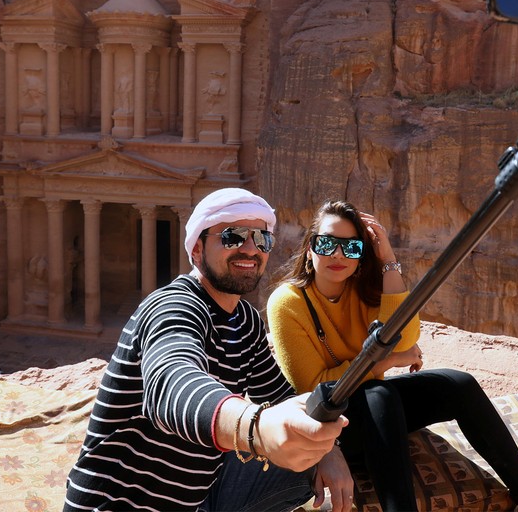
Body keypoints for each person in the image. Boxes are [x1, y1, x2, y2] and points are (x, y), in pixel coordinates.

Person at [266, 199, 518, 512]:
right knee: (380, 394)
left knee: (457, 385)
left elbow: (405, 336)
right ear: (310, 248)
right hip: (328, 428)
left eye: (351, 248)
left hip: (376, 413)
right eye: (327, 244)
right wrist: (388, 361)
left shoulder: (361, 291)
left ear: (361, 256)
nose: (338, 254)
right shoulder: (287, 302)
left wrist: (388, 257)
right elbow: (316, 387)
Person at [65, 188, 353, 512]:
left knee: (337, 436)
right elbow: (173, 382)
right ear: (198, 248)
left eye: (262, 239)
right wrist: (256, 427)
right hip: (116, 506)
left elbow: (279, 396)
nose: (250, 249)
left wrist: (329, 452)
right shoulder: (173, 306)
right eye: (233, 236)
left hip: (200, 499)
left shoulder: (245, 321)